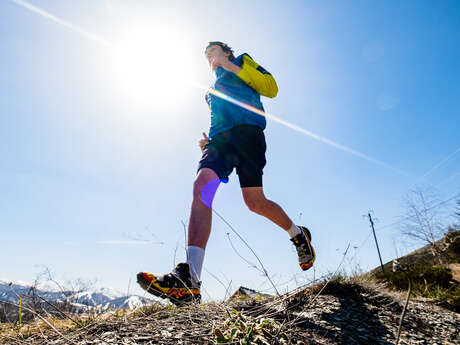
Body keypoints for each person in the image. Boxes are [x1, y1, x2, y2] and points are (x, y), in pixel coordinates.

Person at [137, 42, 315, 304]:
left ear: (227, 53)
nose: (210, 58)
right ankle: (191, 281)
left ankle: (298, 234)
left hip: (249, 135)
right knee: (202, 188)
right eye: (206, 57)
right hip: (220, 143)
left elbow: (271, 88)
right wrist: (208, 142)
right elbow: (218, 118)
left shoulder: (243, 62)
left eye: (214, 52)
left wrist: (232, 66)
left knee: (255, 202)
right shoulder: (209, 92)